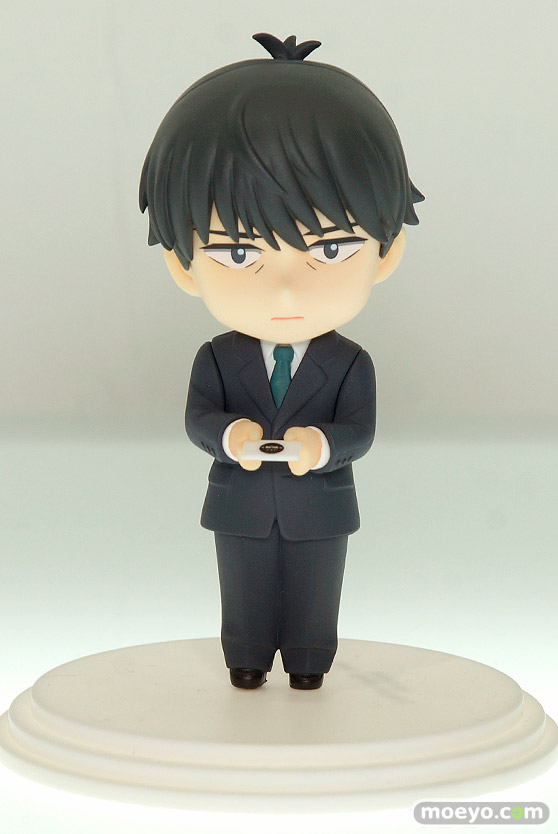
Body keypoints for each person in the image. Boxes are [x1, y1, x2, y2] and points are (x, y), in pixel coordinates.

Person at [140, 32, 423, 690]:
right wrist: (230, 436)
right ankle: (244, 658)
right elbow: (198, 418)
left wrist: (322, 446)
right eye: (239, 254)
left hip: (320, 505)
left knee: (317, 591)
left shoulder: (351, 363)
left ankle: (309, 663)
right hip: (238, 503)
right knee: (242, 589)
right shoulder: (216, 357)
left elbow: (359, 431)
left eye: (330, 249)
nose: (287, 290)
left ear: (386, 252)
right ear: (182, 265)